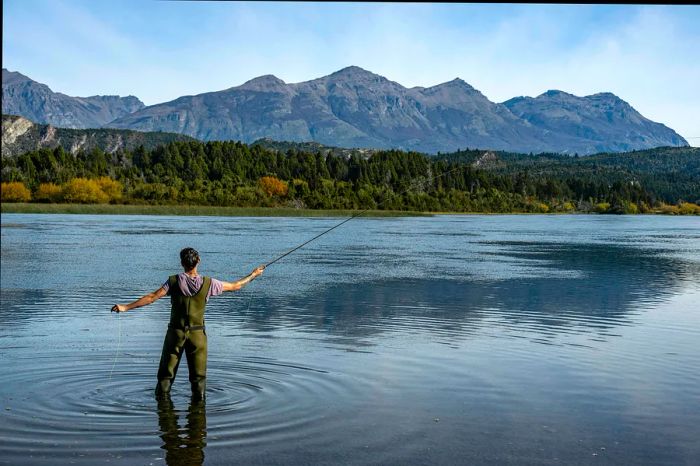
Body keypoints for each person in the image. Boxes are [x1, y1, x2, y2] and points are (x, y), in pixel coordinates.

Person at [111, 247, 265, 400]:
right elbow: (236, 286)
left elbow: (151, 297)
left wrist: (125, 307)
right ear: (198, 261)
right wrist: (254, 274)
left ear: (181, 263)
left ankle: (164, 413)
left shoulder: (173, 281)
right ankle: (198, 415)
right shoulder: (209, 283)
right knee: (199, 379)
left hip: (175, 334)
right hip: (198, 336)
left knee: (165, 377)